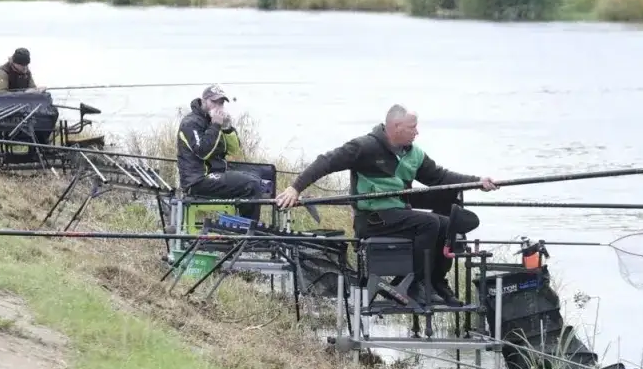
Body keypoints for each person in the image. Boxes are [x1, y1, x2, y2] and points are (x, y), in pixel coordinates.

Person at [275, 104, 498, 307]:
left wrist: (477, 182)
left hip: (398, 215)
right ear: (396, 126)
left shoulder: (414, 153)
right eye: (413, 127)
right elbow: (327, 161)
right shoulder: (365, 146)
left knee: (445, 224)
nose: (417, 132)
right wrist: (295, 188)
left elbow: (439, 177)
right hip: (373, 218)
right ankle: (411, 284)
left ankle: (435, 281)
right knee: (429, 223)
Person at [176, 85, 262, 222]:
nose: (217, 106)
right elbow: (203, 152)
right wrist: (215, 125)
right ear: (203, 101)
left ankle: (242, 226)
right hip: (197, 180)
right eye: (213, 102)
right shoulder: (190, 123)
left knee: (260, 177)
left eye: (221, 103)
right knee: (250, 185)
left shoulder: (214, 121)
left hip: (216, 173)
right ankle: (249, 234)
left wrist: (227, 127)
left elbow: (234, 150)